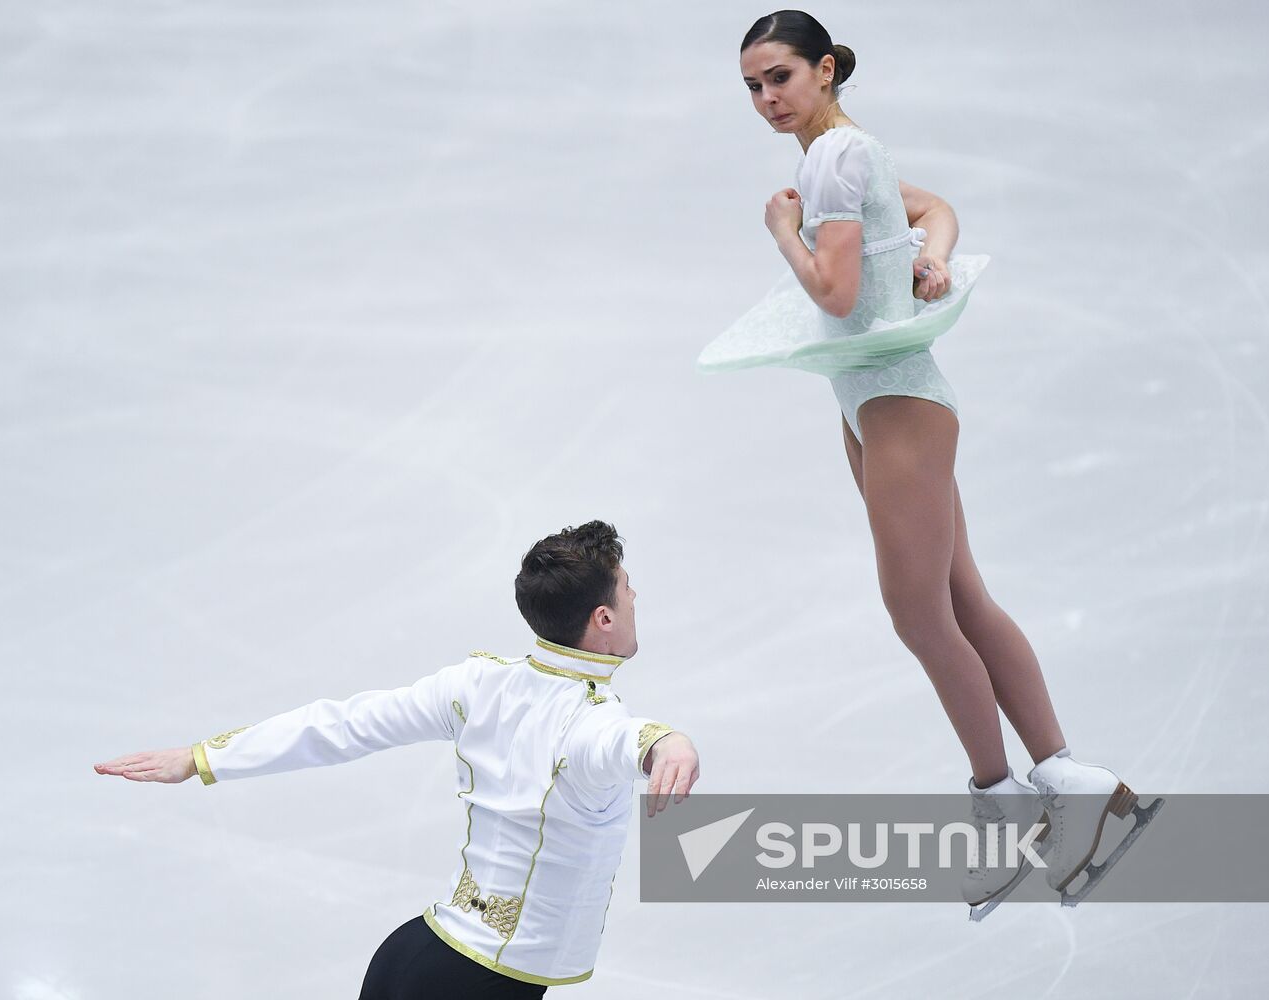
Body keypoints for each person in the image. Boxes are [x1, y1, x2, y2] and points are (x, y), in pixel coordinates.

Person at [699, 9, 1158, 918]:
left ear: (824, 69)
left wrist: (779, 231)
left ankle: (1007, 805)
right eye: (752, 85)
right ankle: (1077, 786)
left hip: (896, 401)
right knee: (959, 604)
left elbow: (830, 287)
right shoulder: (843, 151)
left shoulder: (830, 160)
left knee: (919, 617)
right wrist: (932, 259)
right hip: (872, 400)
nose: (765, 99)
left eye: (779, 77)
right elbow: (931, 210)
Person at [95, 520, 700, 996]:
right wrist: (664, 741)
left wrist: (204, 757)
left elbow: (343, 724)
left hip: (412, 958)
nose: (635, 595)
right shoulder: (592, 721)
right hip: (480, 986)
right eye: (626, 589)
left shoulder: (475, 685)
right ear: (602, 619)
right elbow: (619, 741)